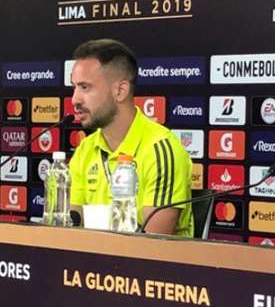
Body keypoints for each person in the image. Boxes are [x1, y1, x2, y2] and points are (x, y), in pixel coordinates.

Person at [68, 39, 194, 236]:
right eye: (74, 87)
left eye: (85, 87)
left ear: (120, 91)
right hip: (91, 264)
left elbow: (153, 247)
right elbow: (70, 228)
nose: (75, 99)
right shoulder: (85, 149)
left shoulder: (160, 148)